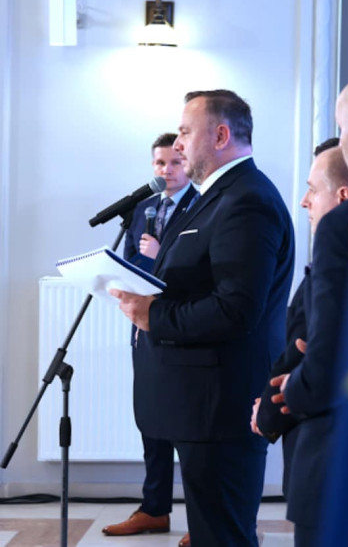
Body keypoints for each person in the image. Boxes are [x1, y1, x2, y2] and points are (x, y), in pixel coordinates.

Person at [111, 90, 294, 547]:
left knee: (223, 538)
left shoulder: (247, 200)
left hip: (220, 410)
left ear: (220, 135)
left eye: (185, 133)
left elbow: (236, 308)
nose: (177, 145)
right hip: (200, 407)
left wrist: (155, 315)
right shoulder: (213, 197)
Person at [269, 71, 348, 547]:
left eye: (340, 128)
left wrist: (290, 391)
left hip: (341, 451)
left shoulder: (346, 224)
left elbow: (328, 356)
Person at [251, 138, 348, 497]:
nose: (304, 201)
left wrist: (267, 413)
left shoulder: (340, 261)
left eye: (312, 189)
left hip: (322, 442)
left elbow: (309, 351)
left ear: (343, 197)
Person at [103, 133, 196, 540]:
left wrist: (161, 255)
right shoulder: (142, 208)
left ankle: (203, 518)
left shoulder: (203, 206)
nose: (167, 170)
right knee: (151, 417)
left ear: (187, 164)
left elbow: (197, 271)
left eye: (175, 162)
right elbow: (129, 261)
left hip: (183, 325)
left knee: (189, 427)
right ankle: (154, 508)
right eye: (160, 163)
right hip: (143, 327)